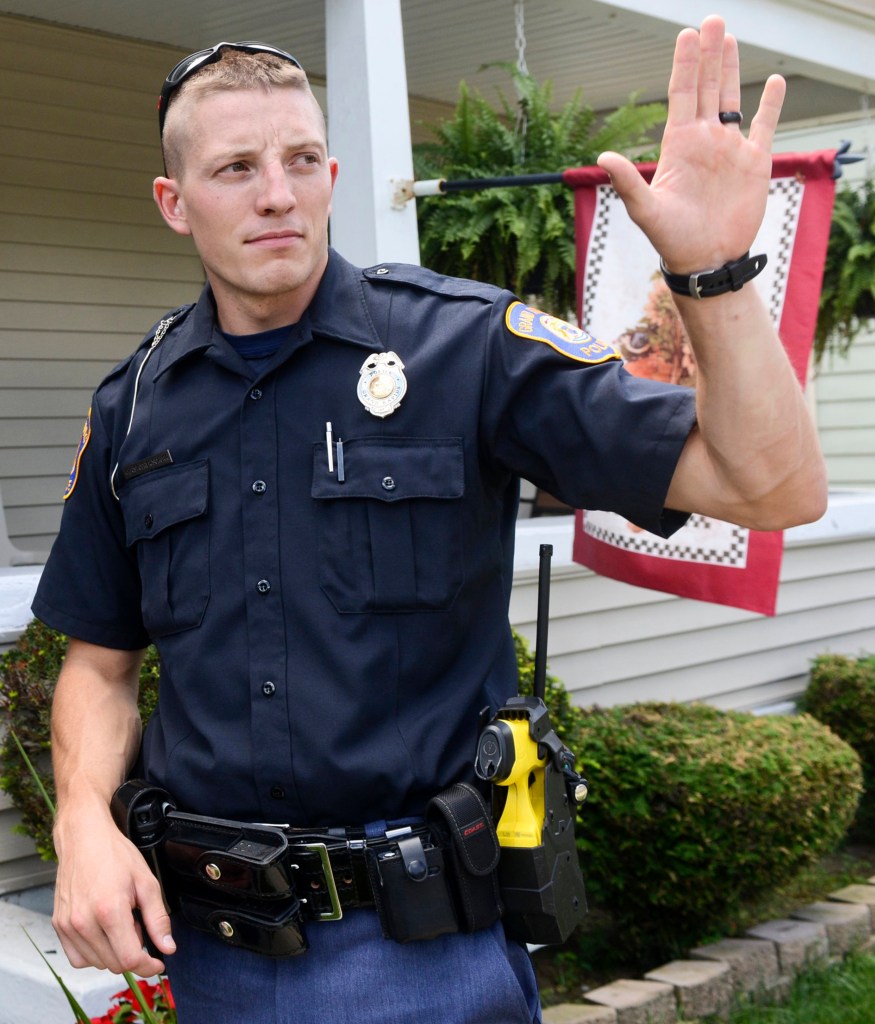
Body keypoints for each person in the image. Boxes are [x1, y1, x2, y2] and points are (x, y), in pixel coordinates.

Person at [32, 15, 826, 1024]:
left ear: (329, 174)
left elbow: (774, 488)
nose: (277, 192)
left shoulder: (466, 348)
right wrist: (81, 827)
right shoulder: (136, 403)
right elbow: (99, 662)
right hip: (216, 952)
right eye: (235, 167)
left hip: (424, 958)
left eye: (302, 159)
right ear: (174, 202)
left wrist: (713, 275)